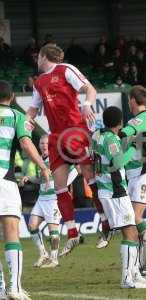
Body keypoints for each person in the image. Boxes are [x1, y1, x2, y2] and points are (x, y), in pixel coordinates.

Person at [26, 44, 110, 256]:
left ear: (43, 56)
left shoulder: (65, 69)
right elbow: (34, 109)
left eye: (38, 57)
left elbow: (89, 89)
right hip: (55, 137)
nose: (36, 61)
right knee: (60, 187)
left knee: (89, 177)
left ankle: (106, 225)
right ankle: (72, 233)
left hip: (75, 131)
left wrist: (87, 104)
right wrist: (25, 123)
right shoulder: (39, 83)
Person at [91, 106, 146, 289]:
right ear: (120, 123)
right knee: (130, 233)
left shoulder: (96, 135)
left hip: (106, 189)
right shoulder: (111, 139)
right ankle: (127, 279)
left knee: (132, 232)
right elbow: (117, 162)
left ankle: (135, 275)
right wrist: (133, 147)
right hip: (115, 190)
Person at [0, 80, 50, 300]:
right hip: (4, 179)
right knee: (11, 230)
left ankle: (1, 289)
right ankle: (14, 287)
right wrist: (42, 166)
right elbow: (27, 144)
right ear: (11, 98)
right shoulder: (17, 116)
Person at [119, 85, 146, 276]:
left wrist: (113, 132)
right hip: (137, 174)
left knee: (134, 217)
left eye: (129, 100)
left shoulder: (145, 118)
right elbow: (130, 148)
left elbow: (126, 131)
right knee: (131, 219)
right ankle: (141, 262)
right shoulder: (137, 121)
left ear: (133, 101)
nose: (129, 103)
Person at [20, 135, 78, 268]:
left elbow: (74, 171)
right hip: (42, 198)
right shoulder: (39, 159)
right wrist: (29, 178)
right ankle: (43, 254)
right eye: (41, 143)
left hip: (54, 199)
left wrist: (62, 186)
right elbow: (41, 179)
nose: (43, 145)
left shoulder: (57, 158)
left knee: (53, 230)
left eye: (46, 143)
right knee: (32, 226)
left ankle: (54, 259)